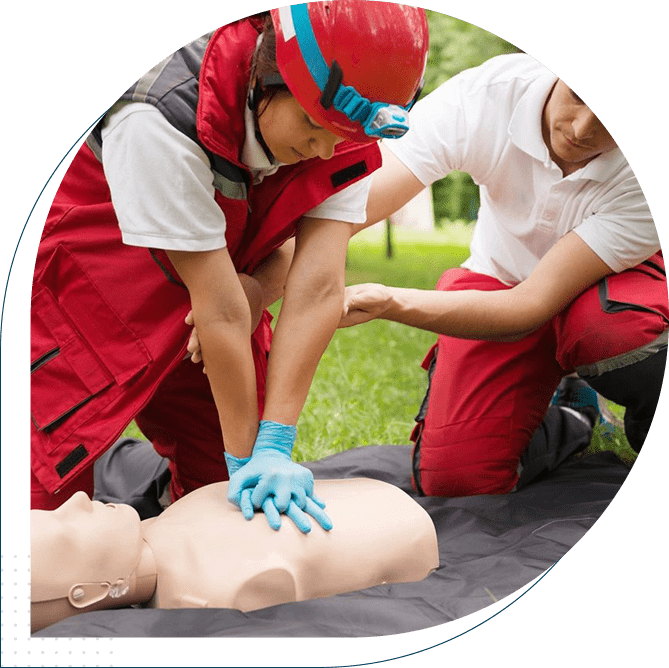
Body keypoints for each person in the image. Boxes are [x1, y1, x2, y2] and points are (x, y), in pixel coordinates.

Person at [29, 1, 429, 532]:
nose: (325, 148)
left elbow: (316, 283)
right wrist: (248, 460)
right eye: (313, 124)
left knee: (227, 503)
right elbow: (217, 310)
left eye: (345, 135)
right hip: (86, 302)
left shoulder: (342, 126)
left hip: (215, 300)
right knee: (41, 527)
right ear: (268, 73)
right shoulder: (159, 116)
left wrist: (273, 445)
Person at [340, 52, 668, 497]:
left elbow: (529, 306)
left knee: (612, 330)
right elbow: (352, 208)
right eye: (579, 95)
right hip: (502, 279)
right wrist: (259, 278)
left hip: (607, 287)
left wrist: (388, 301)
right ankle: (574, 413)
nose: (581, 129)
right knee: (456, 479)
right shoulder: (484, 97)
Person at [30, 477, 439, 633]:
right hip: (405, 535)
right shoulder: (210, 590)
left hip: (382, 508)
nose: (78, 499)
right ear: (84, 592)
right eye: (67, 530)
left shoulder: (171, 523)